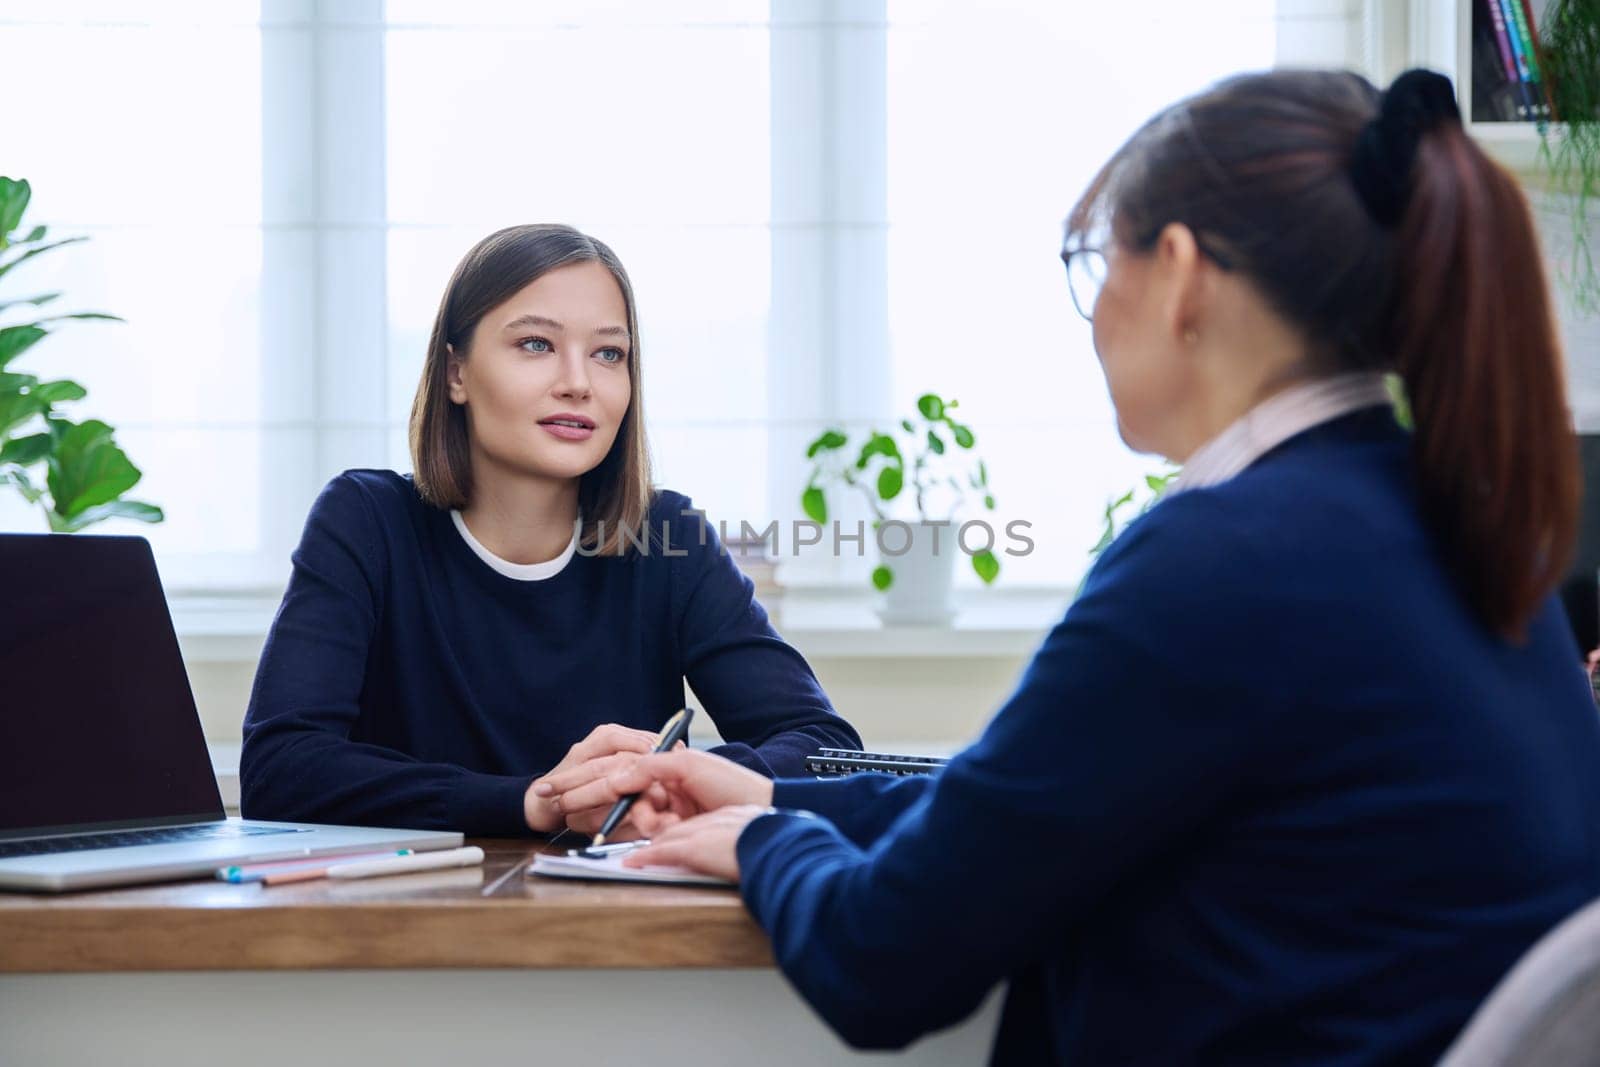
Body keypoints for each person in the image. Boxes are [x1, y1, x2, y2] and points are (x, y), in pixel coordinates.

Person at [538, 70, 1600, 1062]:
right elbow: (1043, 809)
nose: (1093, 312)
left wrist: (759, 848)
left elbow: (885, 957)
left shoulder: (1224, 559)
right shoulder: (1451, 522)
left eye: (1096, 264)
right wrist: (776, 799)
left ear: (1179, 273)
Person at [240, 224, 861, 837]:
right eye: (536, 344)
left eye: (608, 353)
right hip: (414, 914)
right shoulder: (367, 521)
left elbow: (826, 748)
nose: (579, 382)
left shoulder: (668, 536)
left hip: (619, 913)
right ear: (455, 373)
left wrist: (672, 778)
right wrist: (534, 803)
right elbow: (281, 769)